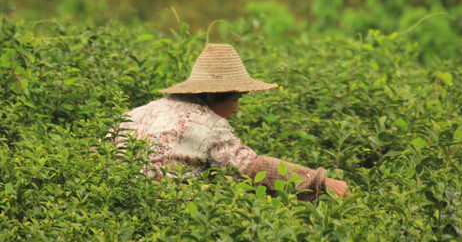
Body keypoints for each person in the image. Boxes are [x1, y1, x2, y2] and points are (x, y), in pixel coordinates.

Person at [115, 43, 349, 201]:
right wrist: (320, 181)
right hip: (163, 211)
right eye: (236, 99)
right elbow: (251, 168)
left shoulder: (136, 113)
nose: (236, 109)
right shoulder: (209, 123)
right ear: (213, 94)